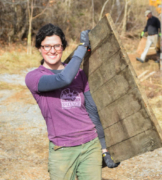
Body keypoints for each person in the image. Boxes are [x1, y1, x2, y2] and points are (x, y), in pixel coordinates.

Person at [25, 23, 120, 180]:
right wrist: (82, 47)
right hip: (62, 150)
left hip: (90, 145)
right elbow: (63, 79)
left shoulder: (80, 74)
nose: (52, 50)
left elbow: (92, 110)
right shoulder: (34, 77)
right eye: (46, 46)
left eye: (57, 45)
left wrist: (104, 148)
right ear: (40, 48)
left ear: (63, 47)